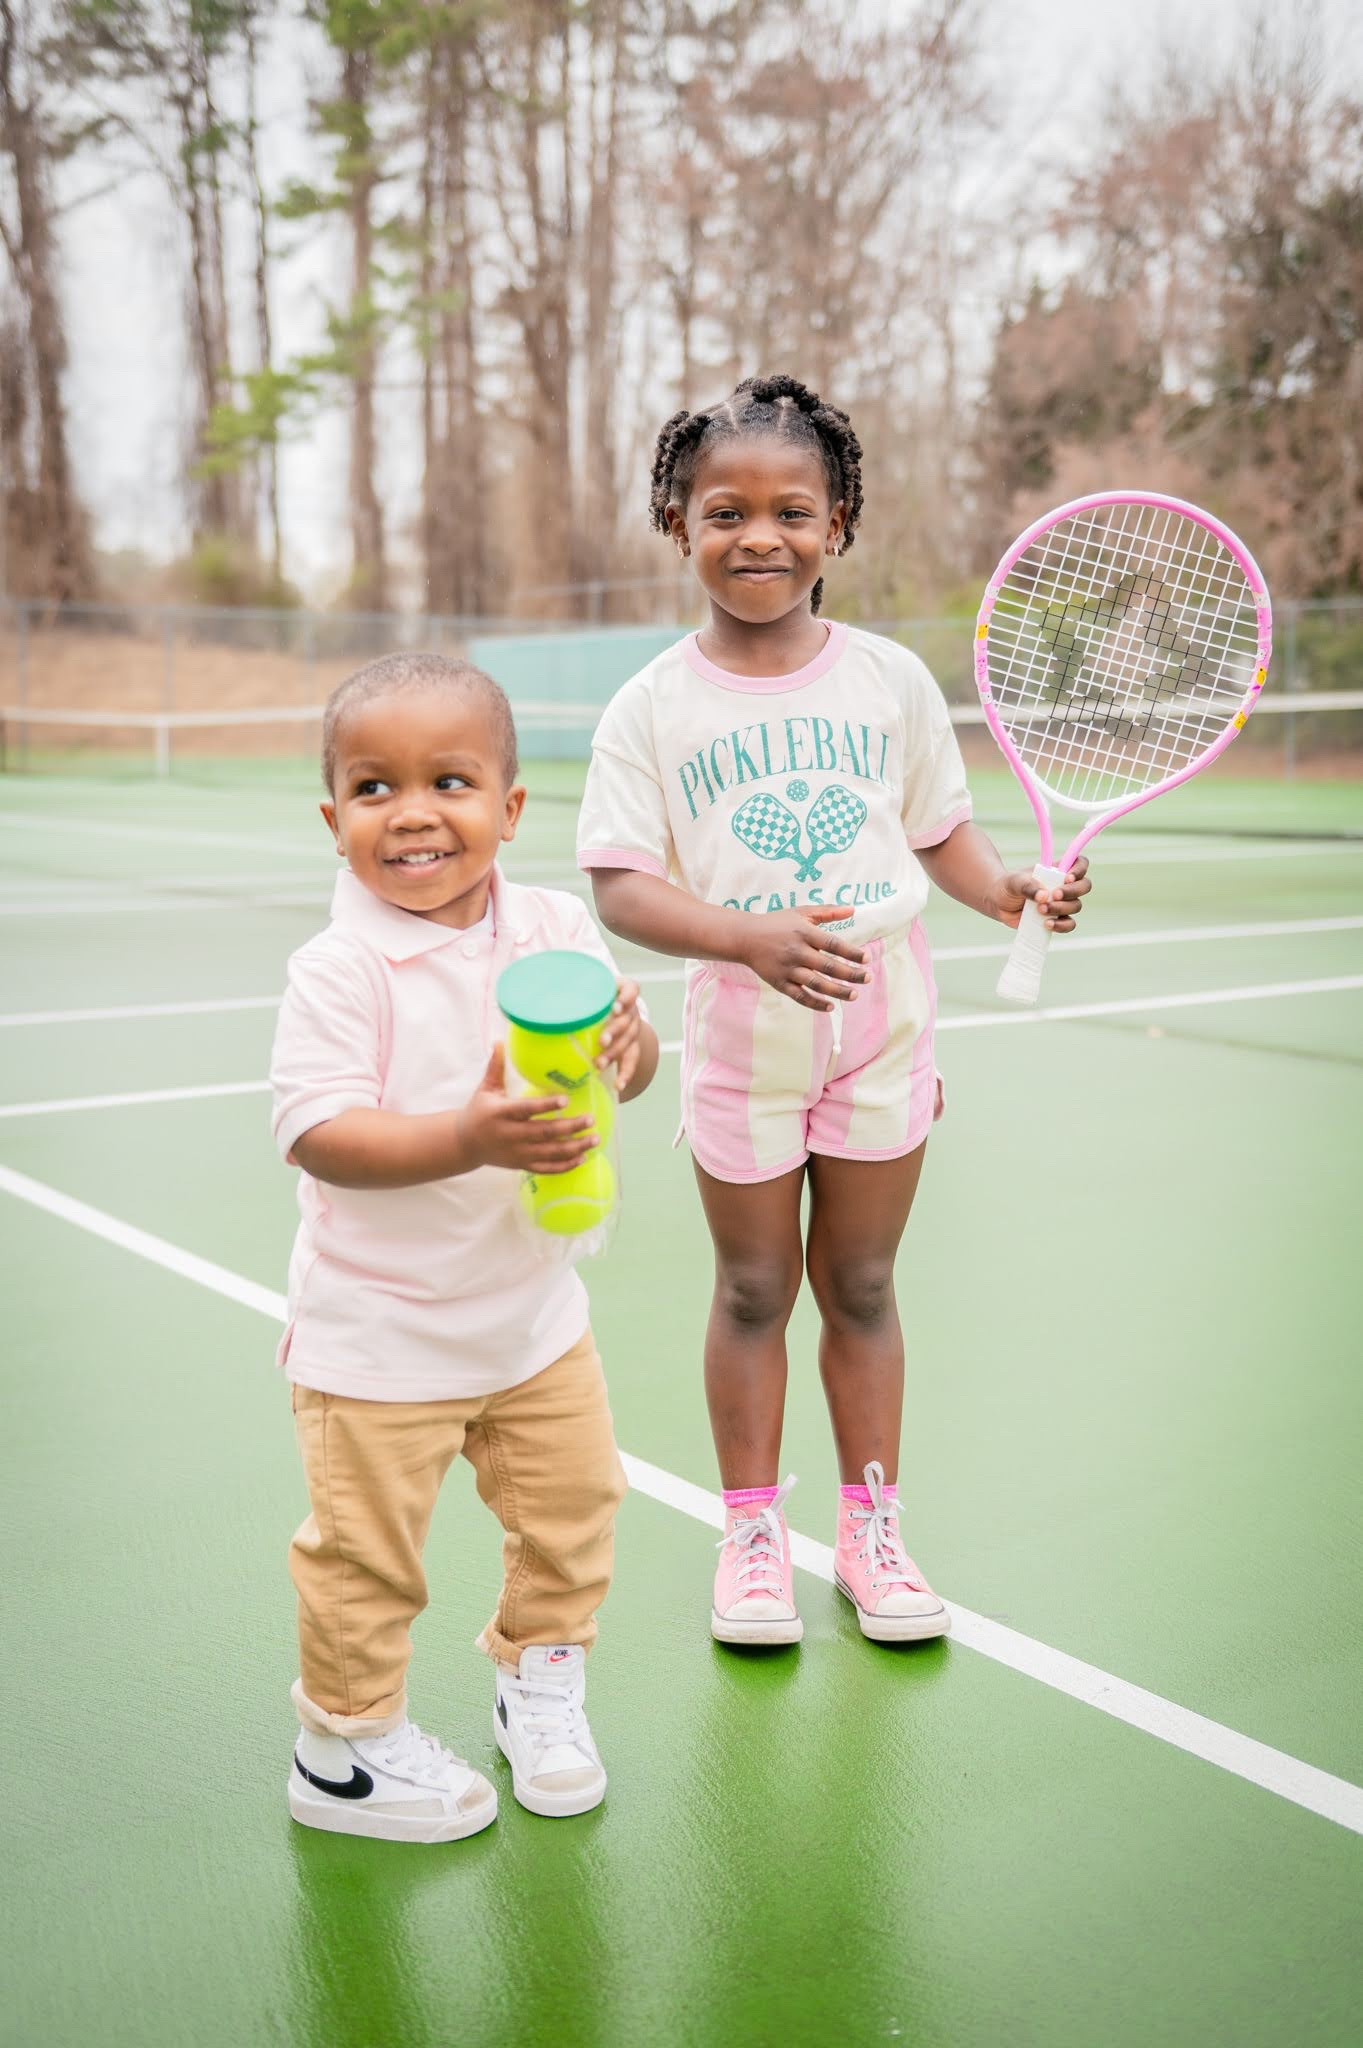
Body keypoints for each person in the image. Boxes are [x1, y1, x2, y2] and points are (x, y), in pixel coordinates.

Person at [577, 375, 1090, 1648]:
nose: (760, 536)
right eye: (726, 511)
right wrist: (742, 937)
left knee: (860, 1282)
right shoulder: (651, 705)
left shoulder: (891, 682)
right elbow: (620, 885)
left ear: (841, 523)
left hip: (882, 1025)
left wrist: (1009, 890)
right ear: (674, 522)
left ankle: (870, 1529)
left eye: (793, 510)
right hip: (743, 1037)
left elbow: (942, 837)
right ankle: (751, 1535)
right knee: (753, 1290)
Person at [271, 651, 658, 1840]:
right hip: (379, 1338)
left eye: (450, 779)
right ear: (334, 819)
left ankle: (538, 1677)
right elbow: (318, 1132)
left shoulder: (554, 924)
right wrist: (468, 1136)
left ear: (509, 804)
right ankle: (343, 1743)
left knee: (574, 1508)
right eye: (376, 789)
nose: (416, 813)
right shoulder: (336, 968)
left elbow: (621, 1074)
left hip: (534, 1318)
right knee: (366, 1558)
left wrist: (631, 1052)